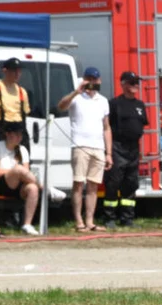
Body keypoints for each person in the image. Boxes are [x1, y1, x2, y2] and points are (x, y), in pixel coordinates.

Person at [58, 67, 112, 232]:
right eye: (89, 79)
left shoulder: (103, 101)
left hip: (98, 147)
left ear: (99, 81)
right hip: (80, 145)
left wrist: (108, 152)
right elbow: (61, 106)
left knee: (93, 186)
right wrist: (76, 91)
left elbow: (106, 127)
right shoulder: (76, 98)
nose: (92, 82)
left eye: (95, 79)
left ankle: (90, 221)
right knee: (78, 184)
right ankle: (79, 221)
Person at [103, 70, 148, 228]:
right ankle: (110, 218)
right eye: (132, 82)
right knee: (113, 183)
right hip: (117, 147)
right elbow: (106, 127)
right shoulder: (114, 104)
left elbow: (141, 126)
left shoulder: (140, 105)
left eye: (137, 82)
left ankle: (127, 218)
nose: (136, 85)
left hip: (133, 149)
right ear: (123, 84)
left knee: (131, 183)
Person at [0, 121, 42, 235]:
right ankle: (45, 188)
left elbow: (26, 174)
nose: (19, 137)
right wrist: (14, 172)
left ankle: (27, 224)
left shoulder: (22, 150)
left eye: (21, 134)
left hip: (17, 186)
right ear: (7, 134)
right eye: (16, 134)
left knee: (32, 188)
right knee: (18, 169)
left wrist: (18, 173)